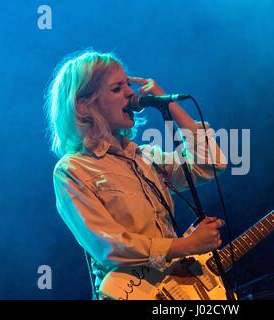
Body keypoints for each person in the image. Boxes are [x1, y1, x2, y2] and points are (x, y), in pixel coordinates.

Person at [44, 50, 227, 297]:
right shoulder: (72, 170)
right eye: (117, 88)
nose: (131, 93)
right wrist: (187, 245)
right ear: (84, 105)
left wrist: (168, 103)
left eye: (128, 85)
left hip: (173, 290)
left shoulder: (145, 157)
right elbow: (109, 245)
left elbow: (211, 163)